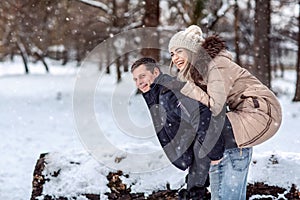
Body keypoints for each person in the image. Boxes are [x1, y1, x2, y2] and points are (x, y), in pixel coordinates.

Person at [168, 25, 282, 199]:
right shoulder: (199, 71)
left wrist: (188, 88)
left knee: (213, 133)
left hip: (262, 112)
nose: (175, 58)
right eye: (172, 54)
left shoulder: (216, 65)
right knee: (209, 133)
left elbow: (214, 107)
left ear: (191, 50)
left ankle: (209, 182)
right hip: (244, 112)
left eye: (179, 51)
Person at [131, 57, 236, 199]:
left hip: (220, 151)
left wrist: (214, 153)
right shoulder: (156, 95)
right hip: (205, 152)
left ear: (155, 72)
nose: (139, 82)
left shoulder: (168, 93)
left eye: (142, 76)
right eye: (135, 79)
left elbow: (201, 117)